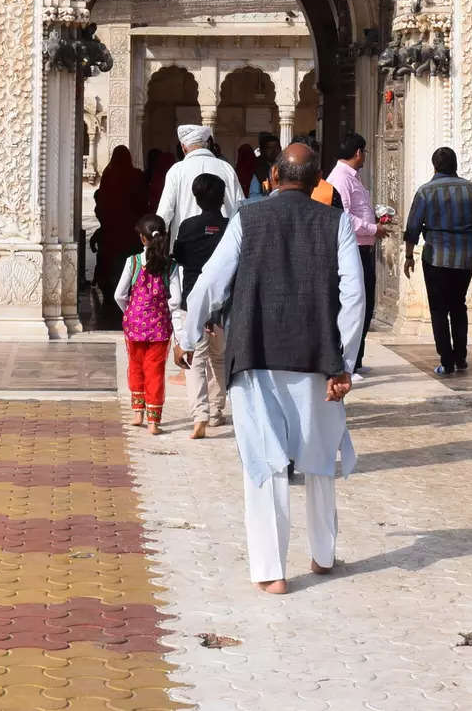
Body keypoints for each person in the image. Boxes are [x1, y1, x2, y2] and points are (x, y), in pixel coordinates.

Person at [179, 144, 364, 595]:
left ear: (273, 176)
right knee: (320, 459)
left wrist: (186, 336)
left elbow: (210, 280)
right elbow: (353, 298)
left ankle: (272, 571)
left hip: (257, 352)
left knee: (265, 463)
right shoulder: (335, 222)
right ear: (318, 178)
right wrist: (345, 362)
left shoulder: (247, 218)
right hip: (317, 356)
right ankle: (322, 556)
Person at [400, 147, 472, 377]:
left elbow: (413, 228)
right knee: (458, 306)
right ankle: (460, 356)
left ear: (434, 166)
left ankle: (446, 360)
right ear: (455, 165)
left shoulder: (425, 192)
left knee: (438, 309)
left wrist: (408, 256)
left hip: (436, 258)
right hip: (464, 258)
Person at [173, 172, 233, 437]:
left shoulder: (188, 227)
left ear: (197, 198)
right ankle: (217, 411)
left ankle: (200, 415)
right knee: (219, 358)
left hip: (193, 301)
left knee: (195, 360)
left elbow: (181, 258)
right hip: (222, 304)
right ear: (222, 198)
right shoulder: (231, 227)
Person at [325, 134, 382, 378]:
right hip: (353, 248)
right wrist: (373, 228)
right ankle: (344, 362)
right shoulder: (340, 178)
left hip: (364, 248)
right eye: (365, 152)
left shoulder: (352, 178)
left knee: (366, 304)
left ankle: (355, 360)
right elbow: (343, 216)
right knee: (354, 305)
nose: (365, 157)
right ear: (358, 152)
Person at [115, 215, 175, 434]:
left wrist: (130, 312)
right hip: (160, 327)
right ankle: (154, 421)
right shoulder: (171, 265)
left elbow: (119, 294)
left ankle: (137, 413)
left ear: (142, 238)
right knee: (155, 371)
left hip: (135, 326)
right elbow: (175, 299)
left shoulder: (133, 262)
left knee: (136, 366)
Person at [91, 146, 145, 328]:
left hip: (112, 229)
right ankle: (132, 296)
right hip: (130, 229)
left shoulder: (108, 175)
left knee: (111, 262)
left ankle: (110, 298)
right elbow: (142, 202)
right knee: (129, 263)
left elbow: (103, 203)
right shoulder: (136, 175)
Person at [157, 123, 245, 235]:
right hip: (224, 242)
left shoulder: (177, 171)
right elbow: (241, 207)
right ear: (207, 144)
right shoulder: (226, 168)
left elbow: (165, 213)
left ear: (183, 147)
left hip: (186, 243)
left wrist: (154, 244)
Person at [249, 134, 281, 198]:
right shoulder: (258, 170)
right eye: (270, 148)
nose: (274, 151)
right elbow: (254, 195)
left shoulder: (286, 167)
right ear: (262, 150)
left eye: (276, 147)